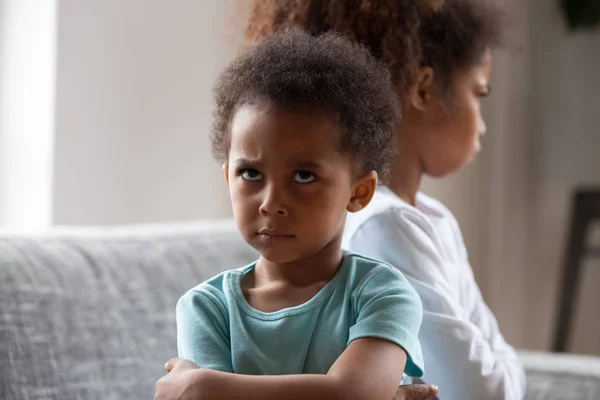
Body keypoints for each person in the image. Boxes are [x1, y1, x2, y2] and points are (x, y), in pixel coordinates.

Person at [244, 1, 526, 399]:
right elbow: (482, 390)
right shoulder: (384, 225)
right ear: (423, 89)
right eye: (478, 92)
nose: (481, 123)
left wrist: (505, 370)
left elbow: (496, 365)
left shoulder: (430, 219)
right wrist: (506, 371)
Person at [155, 30, 439, 400]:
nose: (270, 203)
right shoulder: (207, 307)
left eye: (304, 176)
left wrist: (203, 385)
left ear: (359, 192)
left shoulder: (383, 295)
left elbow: (352, 393)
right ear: (228, 177)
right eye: (250, 173)